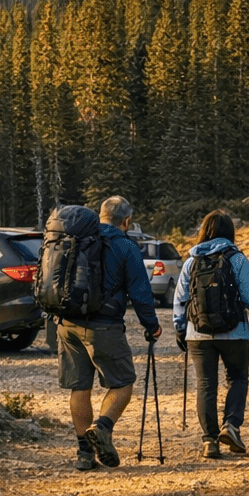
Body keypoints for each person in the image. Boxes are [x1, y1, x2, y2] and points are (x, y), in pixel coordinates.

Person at [57, 195, 162, 471]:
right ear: (126, 221)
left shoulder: (76, 238)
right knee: (123, 382)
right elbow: (140, 293)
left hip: (67, 324)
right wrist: (152, 325)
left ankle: (84, 454)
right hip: (104, 325)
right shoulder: (125, 246)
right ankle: (102, 427)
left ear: (100, 216)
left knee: (80, 387)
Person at [172, 209, 249, 458]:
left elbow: (180, 299)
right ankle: (231, 425)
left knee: (205, 385)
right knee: (238, 378)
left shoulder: (191, 261)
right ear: (230, 232)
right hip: (234, 332)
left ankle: (209, 441)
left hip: (198, 333)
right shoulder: (236, 259)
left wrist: (180, 328)